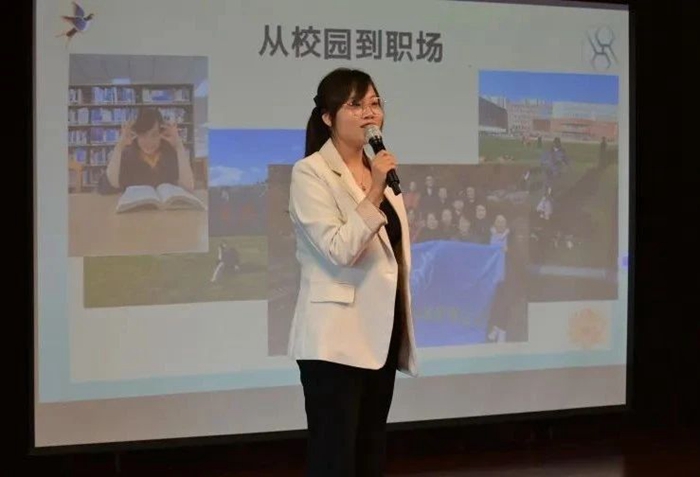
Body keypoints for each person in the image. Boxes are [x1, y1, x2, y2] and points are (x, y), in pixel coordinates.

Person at [287, 67, 418, 477]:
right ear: (328, 117)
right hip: (335, 341)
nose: (369, 113)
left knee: (370, 453)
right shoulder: (310, 173)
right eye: (355, 104)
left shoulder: (379, 171)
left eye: (374, 103)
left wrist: (378, 183)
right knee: (335, 458)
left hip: (380, 335)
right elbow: (338, 249)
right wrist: (375, 190)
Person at [100, 107, 194, 193]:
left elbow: (188, 187)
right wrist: (119, 147)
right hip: (135, 206)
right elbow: (109, 186)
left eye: (154, 135)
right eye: (143, 135)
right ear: (136, 135)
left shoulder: (169, 154)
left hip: (165, 206)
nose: (149, 141)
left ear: (161, 134)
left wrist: (179, 145)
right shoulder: (127, 155)